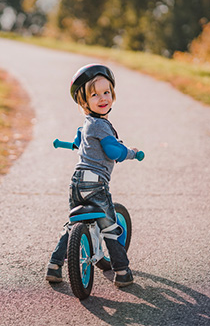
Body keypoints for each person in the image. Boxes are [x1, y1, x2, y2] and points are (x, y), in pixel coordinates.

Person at [46, 64, 140, 288]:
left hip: (77, 183)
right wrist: (132, 153)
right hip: (96, 184)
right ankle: (122, 270)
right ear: (84, 101)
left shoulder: (87, 124)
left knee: (72, 224)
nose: (102, 98)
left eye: (106, 92)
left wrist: (66, 145)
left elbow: (79, 143)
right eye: (94, 94)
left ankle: (54, 265)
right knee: (110, 227)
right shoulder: (102, 126)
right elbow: (112, 151)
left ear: (112, 94)